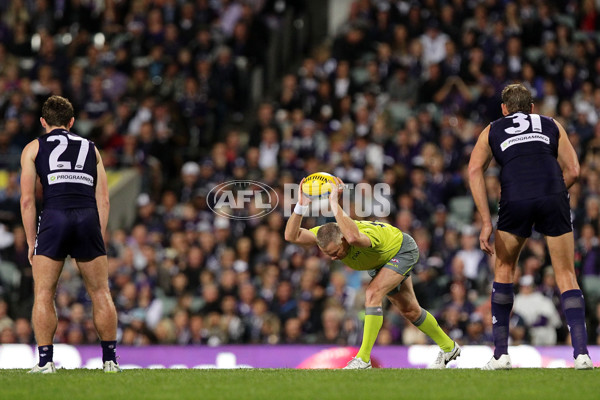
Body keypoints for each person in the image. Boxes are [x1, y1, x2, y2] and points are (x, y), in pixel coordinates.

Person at [468, 83, 593, 370]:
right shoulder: (551, 124)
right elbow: (574, 169)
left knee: (504, 270)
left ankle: (501, 355)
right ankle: (582, 355)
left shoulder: (492, 129)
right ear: (532, 108)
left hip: (515, 196)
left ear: (504, 109)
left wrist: (486, 221)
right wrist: (558, 193)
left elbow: (474, 169)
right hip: (552, 194)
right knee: (565, 274)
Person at [284, 177, 460, 369]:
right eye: (329, 255)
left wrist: (334, 203)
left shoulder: (356, 236)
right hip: (382, 262)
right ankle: (449, 347)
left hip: (401, 250)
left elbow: (352, 236)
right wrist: (301, 206)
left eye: (336, 252)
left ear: (343, 240)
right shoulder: (327, 235)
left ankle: (363, 359)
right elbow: (291, 236)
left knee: (372, 293)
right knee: (410, 310)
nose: (334, 258)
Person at [20, 96, 120, 373]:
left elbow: (27, 200)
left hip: (54, 216)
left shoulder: (33, 148)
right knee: (100, 292)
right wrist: (96, 235)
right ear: (72, 122)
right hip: (87, 217)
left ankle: (45, 362)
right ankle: (110, 361)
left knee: (43, 293)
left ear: (43, 122)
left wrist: (31, 241)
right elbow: (105, 200)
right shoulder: (91, 147)